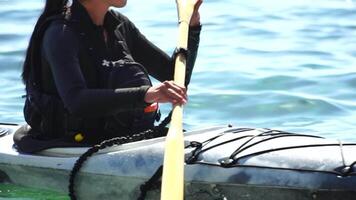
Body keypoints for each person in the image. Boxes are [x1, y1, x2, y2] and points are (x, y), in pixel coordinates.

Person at [15, 0, 202, 153]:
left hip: (120, 137)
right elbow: (76, 101)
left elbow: (175, 76)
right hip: (68, 142)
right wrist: (146, 94)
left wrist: (192, 27)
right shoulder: (60, 35)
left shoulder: (118, 25)